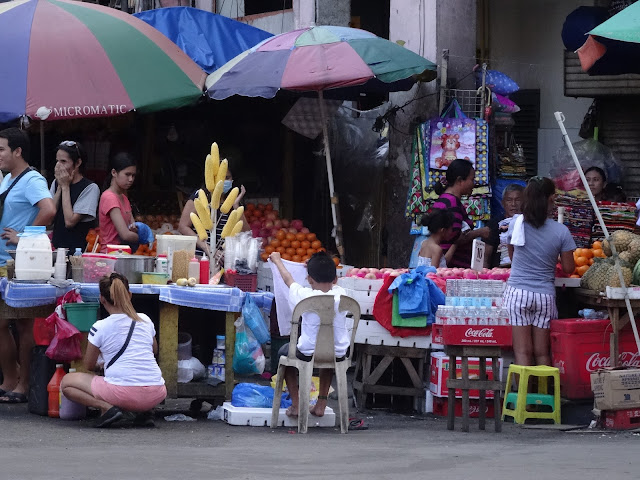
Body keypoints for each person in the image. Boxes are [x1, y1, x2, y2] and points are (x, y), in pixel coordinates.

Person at [60, 273, 166, 428]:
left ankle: (107, 408)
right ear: (129, 295)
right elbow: (153, 350)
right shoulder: (145, 320)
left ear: (102, 299)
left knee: (67, 383)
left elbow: (89, 365)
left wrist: (101, 366)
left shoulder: (100, 327)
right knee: (125, 382)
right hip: (157, 391)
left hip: (124, 394)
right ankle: (144, 411)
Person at [0, 128, 55, 404]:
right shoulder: (7, 179)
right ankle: (11, 378)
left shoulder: (32, 179)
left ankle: (22, 384)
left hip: (18, 263)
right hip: (3, 260)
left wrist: (24, 236)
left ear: (17, 152)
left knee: (22, 325)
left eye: (2, 150)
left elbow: (49, 209)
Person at [503, 177, 576, 367]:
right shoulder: (561, 231)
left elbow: (512, 256)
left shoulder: (516, 223)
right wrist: (553, 256)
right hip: (544, 295)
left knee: (522, 352)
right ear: (551, 199)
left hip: (517, 293)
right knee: (542, 353)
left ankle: (523, 396)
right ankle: (542, 395)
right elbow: (569, 269)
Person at [269, 251, 349, 418]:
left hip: (307, 353)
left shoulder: (304, 295)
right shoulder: (343, 294)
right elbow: (332, 284)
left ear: (309, 279)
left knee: (284, 354)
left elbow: (288, 279)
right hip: (338, 353)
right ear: (335, 279)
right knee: (328, 356)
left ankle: (297, 405)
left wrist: (277, 261)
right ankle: (321, 404)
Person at [430, 159, 490, 268]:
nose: (473, 183)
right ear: (460, 181)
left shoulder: (444, 199)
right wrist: (480, 232)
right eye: (471, 179)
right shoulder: (452, 203)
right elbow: (455, 238)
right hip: (453, 266)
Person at [178, 168, 248, 260]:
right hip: (199, 257)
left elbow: (246, 233)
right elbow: (182, 227)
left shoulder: (233, 201)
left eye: (227, 177)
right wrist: (207, 248)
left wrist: (236, 206)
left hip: (223, 261)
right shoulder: (200, 196)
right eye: (220, 177)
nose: (223, 181)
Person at [50, 141, 100, 251]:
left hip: (78, 254)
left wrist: (65, 187)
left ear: (77, 163)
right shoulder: (56, 183)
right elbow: (49, 219)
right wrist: (59, 188)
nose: (58, 166)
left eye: (63, 161)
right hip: (56, 250)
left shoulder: (90, 188)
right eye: (57, 161)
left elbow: (70, 221)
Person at [98, 153, 138, 252]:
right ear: (114, 173)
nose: (131, 179)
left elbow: (133, 227)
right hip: (111, 254)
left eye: (133, 175)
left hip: (123, 253)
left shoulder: (124, 198)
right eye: (127, 174)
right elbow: (125, 234)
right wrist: (147, 238)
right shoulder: (109, 197)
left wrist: (136, 232)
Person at [486, 184, 524, 268]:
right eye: (509, 200)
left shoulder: (528, 224)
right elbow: (486, 256)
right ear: (503, 203)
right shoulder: (494, 224)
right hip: (498, 271)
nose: (513, 204)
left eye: (518, 200)